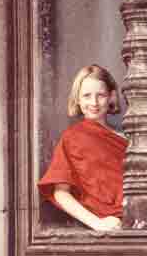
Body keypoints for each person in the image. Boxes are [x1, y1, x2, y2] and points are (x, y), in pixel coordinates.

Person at [38, 64, 128, 231]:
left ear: (112, 97)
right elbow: (61, 193)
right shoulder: (72, 138)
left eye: (100, 95)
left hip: (138, 221)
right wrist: (97, 223)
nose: (93, 102)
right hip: (105, 228)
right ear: (77, 99)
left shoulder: (126, 139)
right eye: (87, 96)